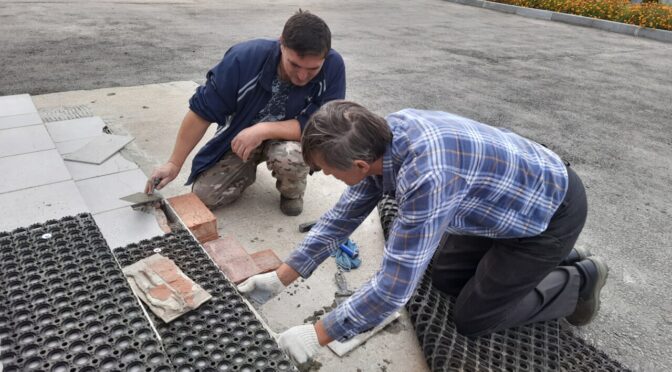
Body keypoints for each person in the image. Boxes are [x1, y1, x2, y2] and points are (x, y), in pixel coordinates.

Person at [238, 100, 609, 363]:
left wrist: (316, 334)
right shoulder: (379, 140)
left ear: (360, 164)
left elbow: (392, 289)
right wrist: (280, 277)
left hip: (548, 212)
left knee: (474, 318)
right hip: (492, 201)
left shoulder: (427, 178)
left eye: (329, 171)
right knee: (446, 278)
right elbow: (340, 219)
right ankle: (551, 258)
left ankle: (579, 278)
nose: (329, 177)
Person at [145, 10, 346, 216]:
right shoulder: (243, 60)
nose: (302, 75)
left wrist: (263, 129)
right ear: (281, 44)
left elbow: (324, 126)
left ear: (325, 56)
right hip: (242, 136)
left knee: (291, 157)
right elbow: (201, 111)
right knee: (205, 196)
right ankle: (247, 167)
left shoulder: (333, 66)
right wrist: (174, 163)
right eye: (294, 64)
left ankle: (291, 192)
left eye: (312, 69)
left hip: (289, 141)